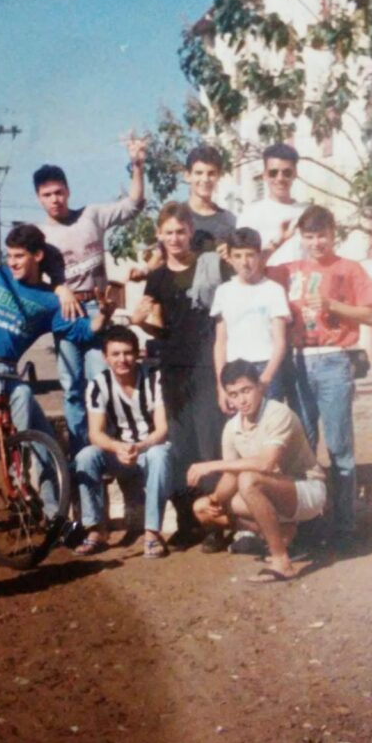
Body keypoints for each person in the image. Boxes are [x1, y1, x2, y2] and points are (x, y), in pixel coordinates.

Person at [269, 205, 372, 549]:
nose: (316, 242)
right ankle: (308, 522)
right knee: (302, 450)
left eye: (322, 235)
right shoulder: (290, 269)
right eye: (309, 235)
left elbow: (368, 314)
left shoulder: (350, 268)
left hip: (333, 361)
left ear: (334, 234)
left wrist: (332, 305)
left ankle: (344, 526)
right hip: (298, 362)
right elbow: (252, 266)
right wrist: (281, 239)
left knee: (340, 448)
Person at [33, 135, 146, 456]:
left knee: (101, 382)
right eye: (47, 195)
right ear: (39, 198)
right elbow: (28, 278)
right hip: (67, 316)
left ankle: (111, 449)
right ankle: (84, 453)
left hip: (100, 309)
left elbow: (134, 205)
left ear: (68, 190)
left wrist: (137, 164)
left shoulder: (92, 215)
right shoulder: (39, 235)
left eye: (59, 192)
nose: (55, 199)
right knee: (71, 389)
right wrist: (59, 288)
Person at [0, 224, 114, 444]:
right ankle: (24, 465)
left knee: (47, 439)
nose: (12, 262)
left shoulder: (51, 301)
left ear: (37, 255)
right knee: (22, 394)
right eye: (9, 256)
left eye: (19, 256)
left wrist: (104, 315)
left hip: (8, 373)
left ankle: (48, 477)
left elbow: (83, 331)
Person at [131, 201, 227, 546]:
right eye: (168, 232)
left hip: (205, 368)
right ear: (160, 235)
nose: (174, 238)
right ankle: (188, 522)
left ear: (190, 232)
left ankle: (215, 524)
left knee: (208, 444)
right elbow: (160, 330)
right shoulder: (155, 278)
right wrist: (141, 322)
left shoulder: (212, 267)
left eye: (180, 232)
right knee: (182, 448)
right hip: (172, 372)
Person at [188, 360, 328, 581]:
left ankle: (282, 562)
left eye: (246, 390)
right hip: (272, 495)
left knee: (249, 481)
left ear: (259, 387)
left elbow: (265, 464)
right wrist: (214, 501)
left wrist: (211, 465)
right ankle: (282, 534)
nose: (241, 400)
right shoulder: (232, 428)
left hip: (306, 490)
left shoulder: (277, 413)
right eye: (233, 394)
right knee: (203, 507)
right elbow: (230, 476)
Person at [73, 325, 172, 559]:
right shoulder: (98, 385)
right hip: (119, 452)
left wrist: (139, 447)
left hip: (148, 449)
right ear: (105, 357)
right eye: (115, 354)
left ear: (137, 354)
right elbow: (95, 434)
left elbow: (162, 429)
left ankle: (151, 533)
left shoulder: (153, 379)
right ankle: (96, 529)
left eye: (128, 353)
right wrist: (119, 447)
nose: (122, 359)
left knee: (161, 454)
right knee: (85, 456)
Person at [211, 227, 291, 412]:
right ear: (229, 257)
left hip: (265, 369)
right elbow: (221, 342)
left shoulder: (273, 290)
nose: (244, 262)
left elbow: (280, 342)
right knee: (243, 432)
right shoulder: (224, 292)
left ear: (258, 255)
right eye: (237, 256)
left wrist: (265, 380)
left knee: (270, 429)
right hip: (234, 371)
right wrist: (221, 386)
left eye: (250, 255)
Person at [129, 144, 236, 281]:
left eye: (211, 173)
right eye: (199, 173)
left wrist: (231, 257)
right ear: (187, 175)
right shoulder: (174, 215)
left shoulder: (229, 220)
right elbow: (160, 255)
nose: (205, 179)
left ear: (218, 176)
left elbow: (239, 265)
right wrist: (143, 271)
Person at [237, 142, 306, 266]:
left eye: (287, 173)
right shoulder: (249, 216)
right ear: (264, 175)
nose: (280, 178)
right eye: (273, 173)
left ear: (295, 174)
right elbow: (244, 265)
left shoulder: (307, 213)